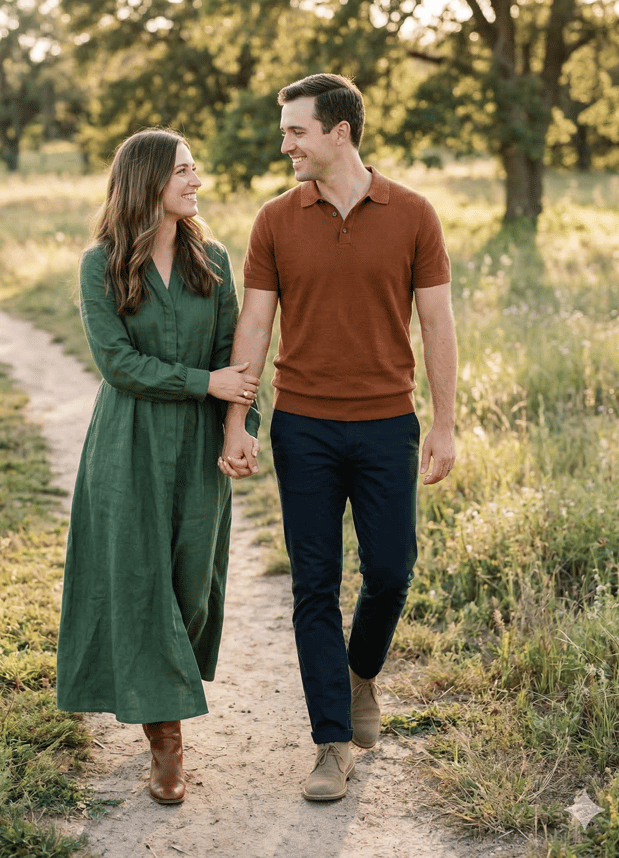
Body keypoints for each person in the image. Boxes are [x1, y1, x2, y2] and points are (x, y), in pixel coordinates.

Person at [218, 74, 457, 801]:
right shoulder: (274, 220)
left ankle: (360, 675)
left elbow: (438, 324)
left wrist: (444, 424)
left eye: (296, 130)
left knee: (392, 572)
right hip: (305, 428)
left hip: (389, 422)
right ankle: (331, 742)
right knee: (314, 583)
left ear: (339, 132)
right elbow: (255, 326)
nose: (284, 143)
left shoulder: (414, 213)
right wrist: (239, 418)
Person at [57, 127, 260, 805]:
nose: (196, 179)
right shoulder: (101, 264)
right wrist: (207, 385)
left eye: (195, 168)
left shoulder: (216, 259)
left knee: (193, 584)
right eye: (183, 170)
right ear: (147, 180)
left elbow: (240, 354)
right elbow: (118, 363)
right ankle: (165, 740)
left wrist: (241, 427)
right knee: (143, 584)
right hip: (130, 443)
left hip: (200, 445)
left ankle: (164, 699)